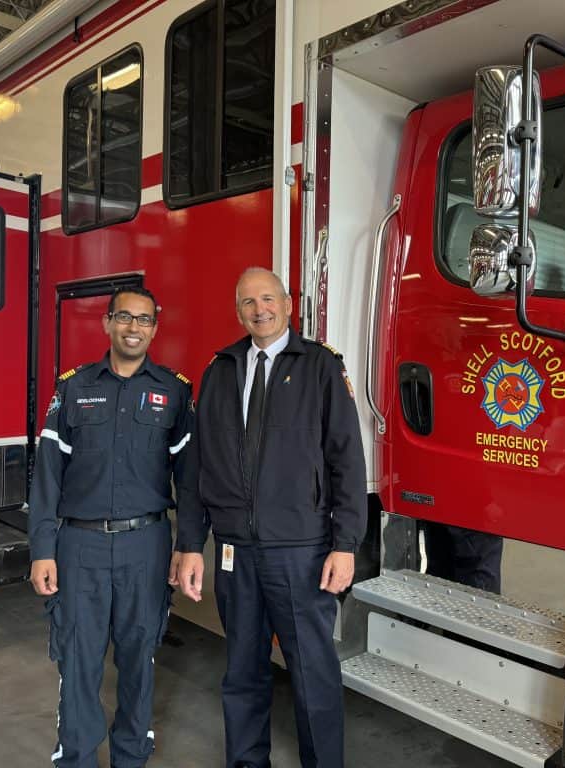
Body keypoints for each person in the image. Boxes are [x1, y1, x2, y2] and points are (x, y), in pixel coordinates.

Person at [175, 267, 365, 768]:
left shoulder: (321, 367)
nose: (259, 310)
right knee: (242, 671)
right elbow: (199, 466)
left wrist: (345, 544)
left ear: (288, 302)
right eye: (247, 303)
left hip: (300, 552)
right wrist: (191, 543)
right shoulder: (219, 371)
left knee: (312, 674)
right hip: (236, 551)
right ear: (237, 311)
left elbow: (347, 459)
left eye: (267, 299)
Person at [28, 286, 193, 768]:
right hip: (80, 545)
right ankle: (76, 757)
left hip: (147, 544)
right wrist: (42, 547)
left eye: (143, 320)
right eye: (124, 317)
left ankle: (130, 757)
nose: (133, 327)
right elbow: (48, 474)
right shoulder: (74, 388)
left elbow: (190, 479)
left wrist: (187, 546)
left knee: (138, 657)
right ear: (107, 322)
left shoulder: (174, 391)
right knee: (77, 659)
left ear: (154, 328)